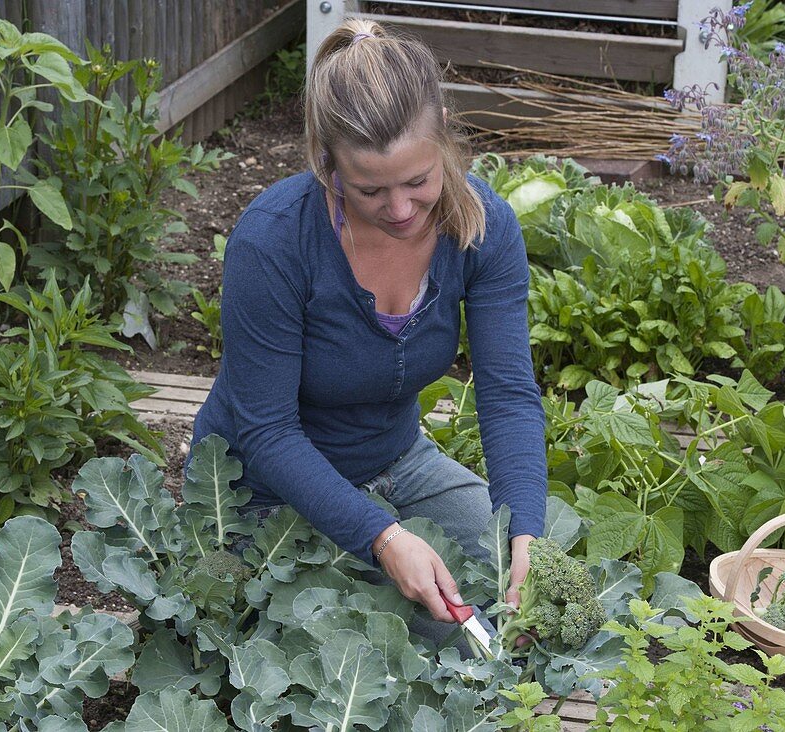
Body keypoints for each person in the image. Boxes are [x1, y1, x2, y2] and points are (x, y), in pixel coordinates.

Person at [188, 18, 547, 635]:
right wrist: (382, 537)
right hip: (265, 491)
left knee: (537, 576)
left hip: (397, 461)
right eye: (370, 190)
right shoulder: (273, 241)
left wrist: (527, 535)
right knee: (411, 641)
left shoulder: (482, 228)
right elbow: (266, 430)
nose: (401, 209)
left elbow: (508, 396)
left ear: (446, 148)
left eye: (419, 181)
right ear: (327, 165)